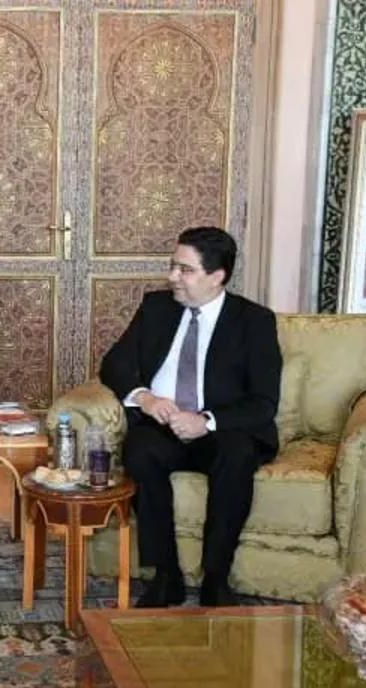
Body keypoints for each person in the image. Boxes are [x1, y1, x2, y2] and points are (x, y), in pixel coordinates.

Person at [98, 226, 282, 608]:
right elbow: (114, 364)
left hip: (221, 430)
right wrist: (145, 398)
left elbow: (264, 402)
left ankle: (216, 578)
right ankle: (166, 576)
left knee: (237, 456)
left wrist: (206, 420)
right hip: (163, 425)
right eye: (173, 266)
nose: (172, 277)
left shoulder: (254, 321)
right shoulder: (157, 308)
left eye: (185, 270)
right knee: (139, 450)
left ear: (217, 276)